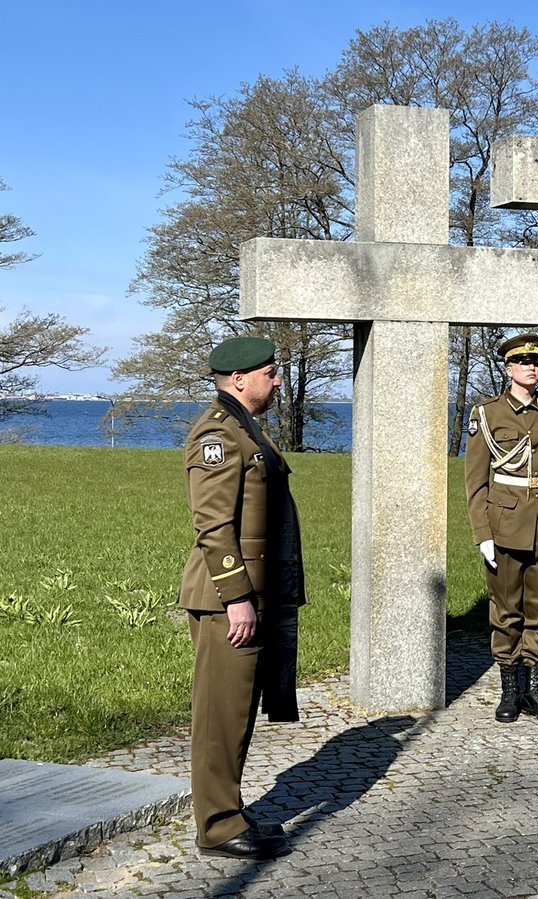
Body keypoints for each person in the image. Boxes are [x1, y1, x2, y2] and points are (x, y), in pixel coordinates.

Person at [178, 336, 305, 860]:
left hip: (255, 593)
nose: (278, 382)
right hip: (226, 598)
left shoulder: (244, 429)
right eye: (271, 374)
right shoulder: (218, 433)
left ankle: (228, 808)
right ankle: (216, 825)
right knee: (220, 714)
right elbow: (212, 524)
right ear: (239, 380)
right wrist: (237, 598)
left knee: (239, 712)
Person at [464, 333, 538, 724]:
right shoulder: (487, 414)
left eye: (536, 362)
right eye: (523, 362)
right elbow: (476, 482)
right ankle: (509, 691)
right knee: (506, 611)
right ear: (509, 369)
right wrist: (483, 534)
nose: (532, 367)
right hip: (505, 523)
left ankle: (535, 692)